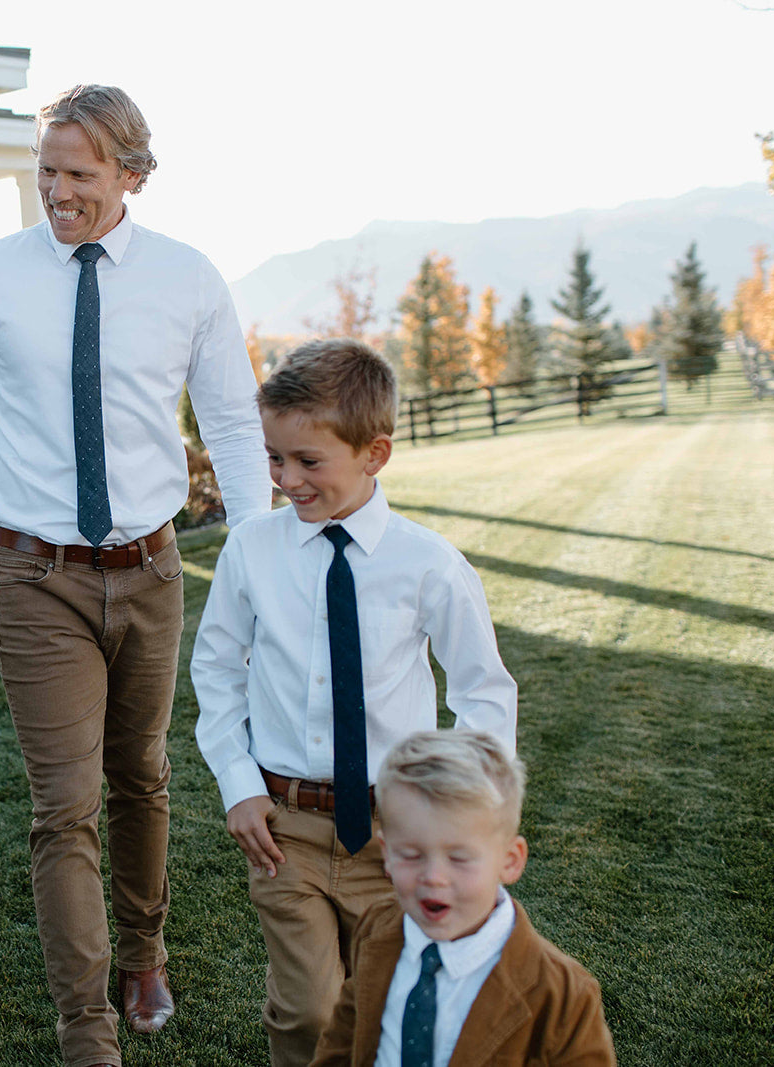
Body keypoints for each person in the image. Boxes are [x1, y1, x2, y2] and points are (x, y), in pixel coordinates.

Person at [0, 83, 271, 1067]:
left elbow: (233, 424)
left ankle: (144, 951)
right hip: (34, 575)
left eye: (78, 173)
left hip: (152, 567)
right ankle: (86, 1025)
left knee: (141, 775)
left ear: (130, 176)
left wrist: (260, 548)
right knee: (61, 804)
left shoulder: (188, 279)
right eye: (46, 170)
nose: (57, 191)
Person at [190, 338, 517, 1066]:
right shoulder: (252, 549)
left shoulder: (428, 564)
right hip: (284, 830)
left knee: (385, 1006)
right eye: (276, 458)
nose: (286, 479)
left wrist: (459, 814)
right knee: (308, 1008)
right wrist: (239, 787)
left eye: (309, 462)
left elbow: (483, 693)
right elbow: (215, 669)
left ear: (375, 454)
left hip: (390, 834)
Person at [309, 730, 615, 1066]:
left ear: (510, 861)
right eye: (411, 854)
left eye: (459, 858)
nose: (434, 877)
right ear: (387, 854)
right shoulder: (376, 926)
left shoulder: (563, 995)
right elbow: (341, 1042)